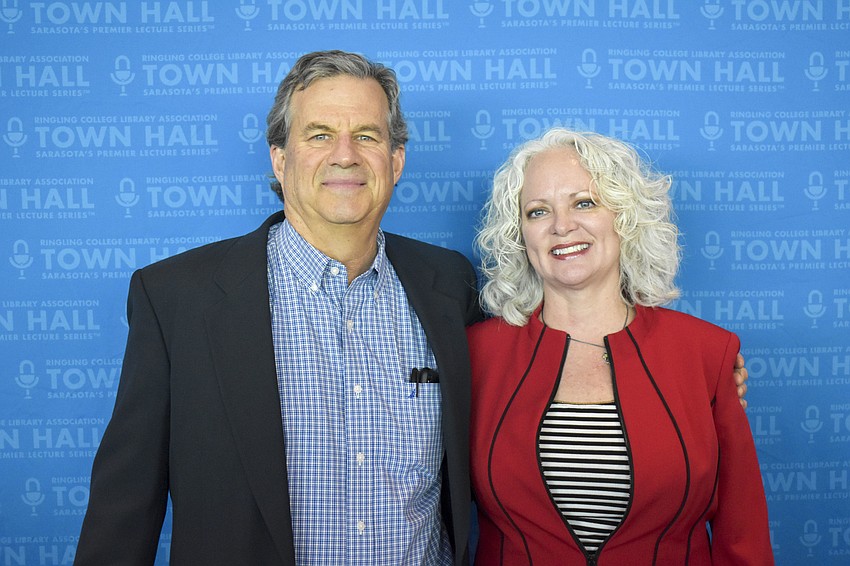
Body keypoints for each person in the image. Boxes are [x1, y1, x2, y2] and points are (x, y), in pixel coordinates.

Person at [74, 50, 482, 566]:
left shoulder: (449, 284)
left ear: (396, 159)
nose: (345, 155)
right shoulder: (176, 298)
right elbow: (124, 510)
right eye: (318, 135)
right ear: (280, 158)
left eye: (367, 136)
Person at [467, 128, 772, 565]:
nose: (561, 225)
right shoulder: (475, 355)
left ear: (625, 215)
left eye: (584, 203)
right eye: (537, 211)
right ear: (519, 234)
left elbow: (743, 536)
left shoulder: (706, 353)